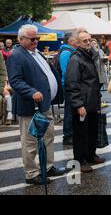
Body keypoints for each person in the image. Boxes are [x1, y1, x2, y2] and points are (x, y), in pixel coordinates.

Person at [6, 25, 66, 185]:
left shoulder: (36, 52)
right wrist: (31, 91)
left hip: (44, 104)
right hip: (29, 106)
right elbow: (15, 80)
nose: (36, 41)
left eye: (37, 38)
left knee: (48, 136)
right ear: (21, 39)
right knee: (30, 140)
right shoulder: (16, 55)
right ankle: (32, 173)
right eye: (32, 39)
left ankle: (48, 166)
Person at [65, 30, 105, 173]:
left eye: (89, 40)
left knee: (92, 130)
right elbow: (72, 83)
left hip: (92, 101)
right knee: (81, 134)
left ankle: (90, 155)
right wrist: (78, 104)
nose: (88, 43)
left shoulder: (90, 55)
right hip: (82, 103)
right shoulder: (75, 59)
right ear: (77, 43)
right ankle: (80, 161)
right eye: (85, 41)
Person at [55, 31, 78, 146]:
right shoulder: (66, 53)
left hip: (69, 84)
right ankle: (68, 136)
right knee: (69, 110)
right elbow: (66, 72)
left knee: (71, 110)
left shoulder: (70, 51)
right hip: (68, 85)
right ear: (70, 41)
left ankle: (70, 134)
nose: (77, 40)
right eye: (75, 38)